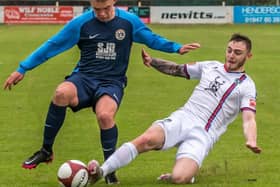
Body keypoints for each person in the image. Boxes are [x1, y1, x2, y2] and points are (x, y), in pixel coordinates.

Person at [3, 0, 200, 184]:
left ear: (113, 2)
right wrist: (23, 68)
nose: (103, 13)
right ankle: (46, 150)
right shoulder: (81, 24)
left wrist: (176, 48)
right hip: (84, 78)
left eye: (106, 8)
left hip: (112, 82)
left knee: (105, 116)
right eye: (97, 9)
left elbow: (151, 39)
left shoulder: (128, 21)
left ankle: (109, 168)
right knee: (61, 93)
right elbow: (52, 45)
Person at [87, 33, 262, 185]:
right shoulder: (211, 66)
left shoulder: (247, 85)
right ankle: (102, 171)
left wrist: (251, 140)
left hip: (204, 134)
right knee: (146, 139)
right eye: (229, 50)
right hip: (184, 117)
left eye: (238, 53)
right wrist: (152, 61)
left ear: (249, 56)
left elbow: (249, 118)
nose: (231, 55)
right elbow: (178, 69)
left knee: (179, 178)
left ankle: (188, 174)